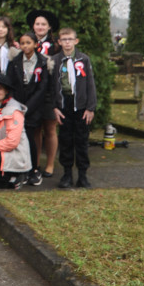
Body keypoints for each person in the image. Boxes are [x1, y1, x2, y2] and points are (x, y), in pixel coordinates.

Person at [52, 27, 97, 189]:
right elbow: (51, 87)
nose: (67, 43)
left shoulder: (83, 60)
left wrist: (90, 108)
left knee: (81, 140)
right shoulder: (55, 61)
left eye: (70, 39)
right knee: (65, 141)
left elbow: (90, 84)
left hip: (81, 106)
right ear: (59, 42)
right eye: (64, 40)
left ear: (76, 41)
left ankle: (83, 175)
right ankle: (67, 174)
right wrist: (55, 107)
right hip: (64, 105)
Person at [7, 33, 50, 185]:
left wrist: (28, 107)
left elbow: (42, 87)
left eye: (28, 43)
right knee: (16, 138)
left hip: (34, 108)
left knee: (30, 137)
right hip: (17, 105)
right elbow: (10, 83)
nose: (25, 46)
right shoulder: (15, 61)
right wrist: (15, 105)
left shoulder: (42, 62)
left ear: (35, 44)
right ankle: (19, 169)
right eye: (22, 43)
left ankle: (34, 169)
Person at [27, 8, 60, 178]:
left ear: (49, 27)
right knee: (35, 129)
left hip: (49, 93)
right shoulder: (27, 43)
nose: (40, 27)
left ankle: (50, 164)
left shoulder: (55, 47)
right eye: (37, 24)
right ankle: (36, 163)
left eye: (43, 24)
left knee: (50, 128)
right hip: (33, 92)